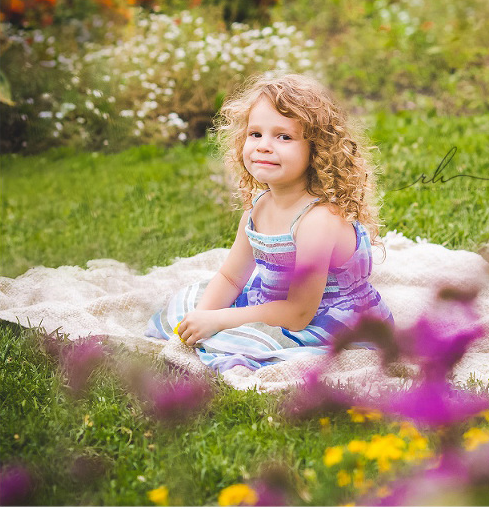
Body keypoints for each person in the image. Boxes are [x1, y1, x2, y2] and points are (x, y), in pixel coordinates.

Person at [146, 73, 394, 373]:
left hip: (324, 317)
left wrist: (219, 321)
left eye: (284, 136)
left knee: (242, 340)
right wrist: (204, 316)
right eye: (255, 134)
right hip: (272, 301)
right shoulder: (259, 207)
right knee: (190, 304)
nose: (264, 146)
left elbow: (299, 313)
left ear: (316, 149)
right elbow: (230, 278)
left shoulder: (318, 220)